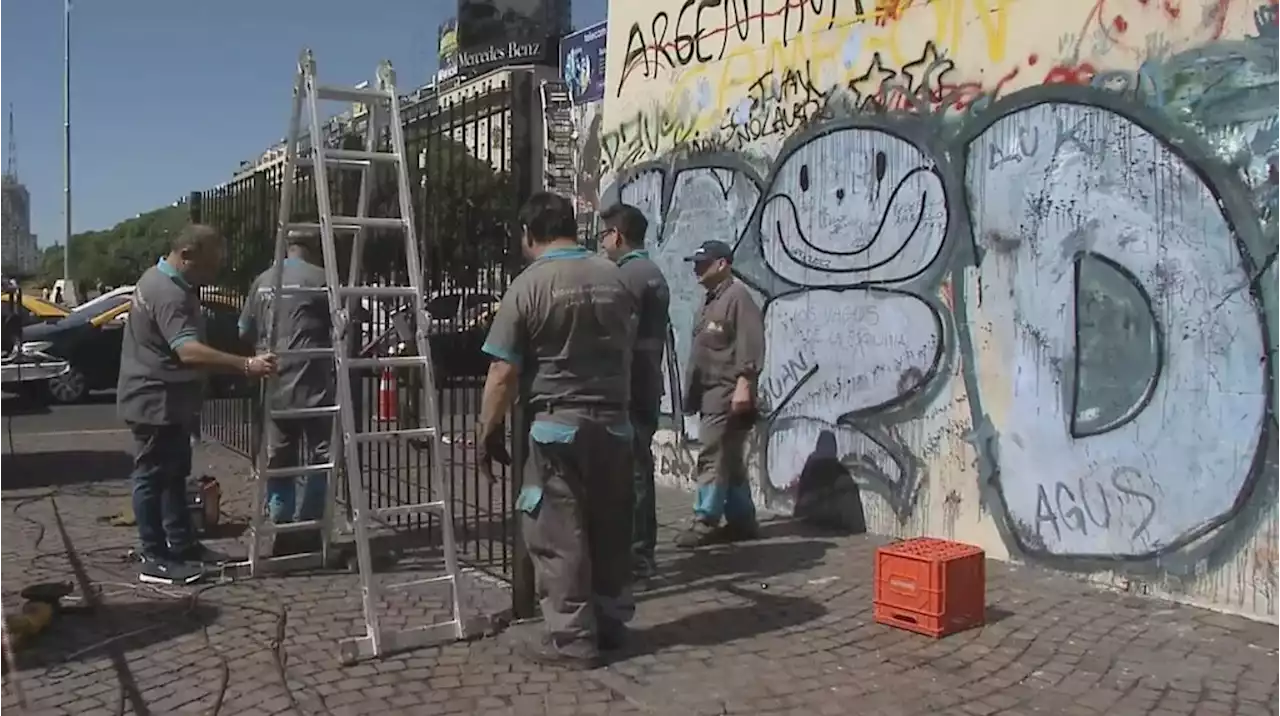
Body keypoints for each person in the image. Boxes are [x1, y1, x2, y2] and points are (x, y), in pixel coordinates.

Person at [476, 191, 637, 669]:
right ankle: (610, 624)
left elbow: (502, 374)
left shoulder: (528, 286)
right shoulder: (615, 276)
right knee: (610, 528)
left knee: (559, 534)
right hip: (615, 423)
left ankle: (572, 641)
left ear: (528, 234)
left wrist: (488, 431)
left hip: (557, 429)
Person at [117, 224, 278, 585]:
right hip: (155, 401)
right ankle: (154, 557)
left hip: (167, 401)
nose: (213, 273)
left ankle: (183, 545)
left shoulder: (165, 283)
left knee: (173, 476)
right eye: (209, 265)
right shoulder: (168, 293)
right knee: (153, 477)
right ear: (186, 254)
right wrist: (245, 365)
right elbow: (187, 350)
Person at [238, 229, 333, 549]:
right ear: (313, 248)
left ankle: (281, 523)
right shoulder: (322, 279)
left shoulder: (262, 281)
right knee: (323, 455)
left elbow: (244, 330)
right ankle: (310, 524)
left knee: (279, 458)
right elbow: (345, 326)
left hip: (274, 381)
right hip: (314, 383)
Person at [675, 239, 766, 549]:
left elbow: (750, 343)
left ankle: (705, 519)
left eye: (703, 262)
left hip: (726, 394)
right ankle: (743, 521)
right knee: (730, 460)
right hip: (710, 394)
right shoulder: (711, 300)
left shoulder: (737, 297)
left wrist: (745, 385)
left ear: (722, 264)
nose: (696, 268)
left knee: (713, 456)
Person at [598, 203, 670, 580]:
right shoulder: (652, 272)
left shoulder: (626, 276)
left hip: (627, 386)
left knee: (631, 473)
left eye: (604, 235)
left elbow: (616, 336)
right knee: (638, 467)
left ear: (618, 236)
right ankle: (640, 550)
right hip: (646, 383)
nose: (602, 243)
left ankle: (636, 553)